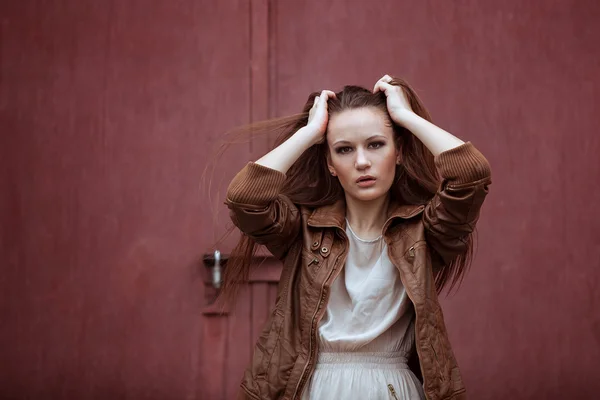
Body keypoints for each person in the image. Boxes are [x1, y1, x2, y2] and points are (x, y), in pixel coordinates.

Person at [222, 75, 492, 400]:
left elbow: (471, 176)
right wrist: (309, 134)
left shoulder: (424, 231)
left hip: (392, 389)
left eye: (376, 144)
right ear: (331, 164)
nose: (362, 161)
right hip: (311, 387)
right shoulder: (302, 229)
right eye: (344, 149)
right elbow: (244, 199)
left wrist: (407, 118)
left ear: (399, 151)